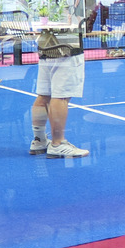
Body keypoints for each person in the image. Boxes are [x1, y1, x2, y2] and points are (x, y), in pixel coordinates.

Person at [30, 26, 89, 159]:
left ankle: (39, 140)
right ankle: (57, 143)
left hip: (46, 45)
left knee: (44, 95)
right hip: (67, 46)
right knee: (61, 97)